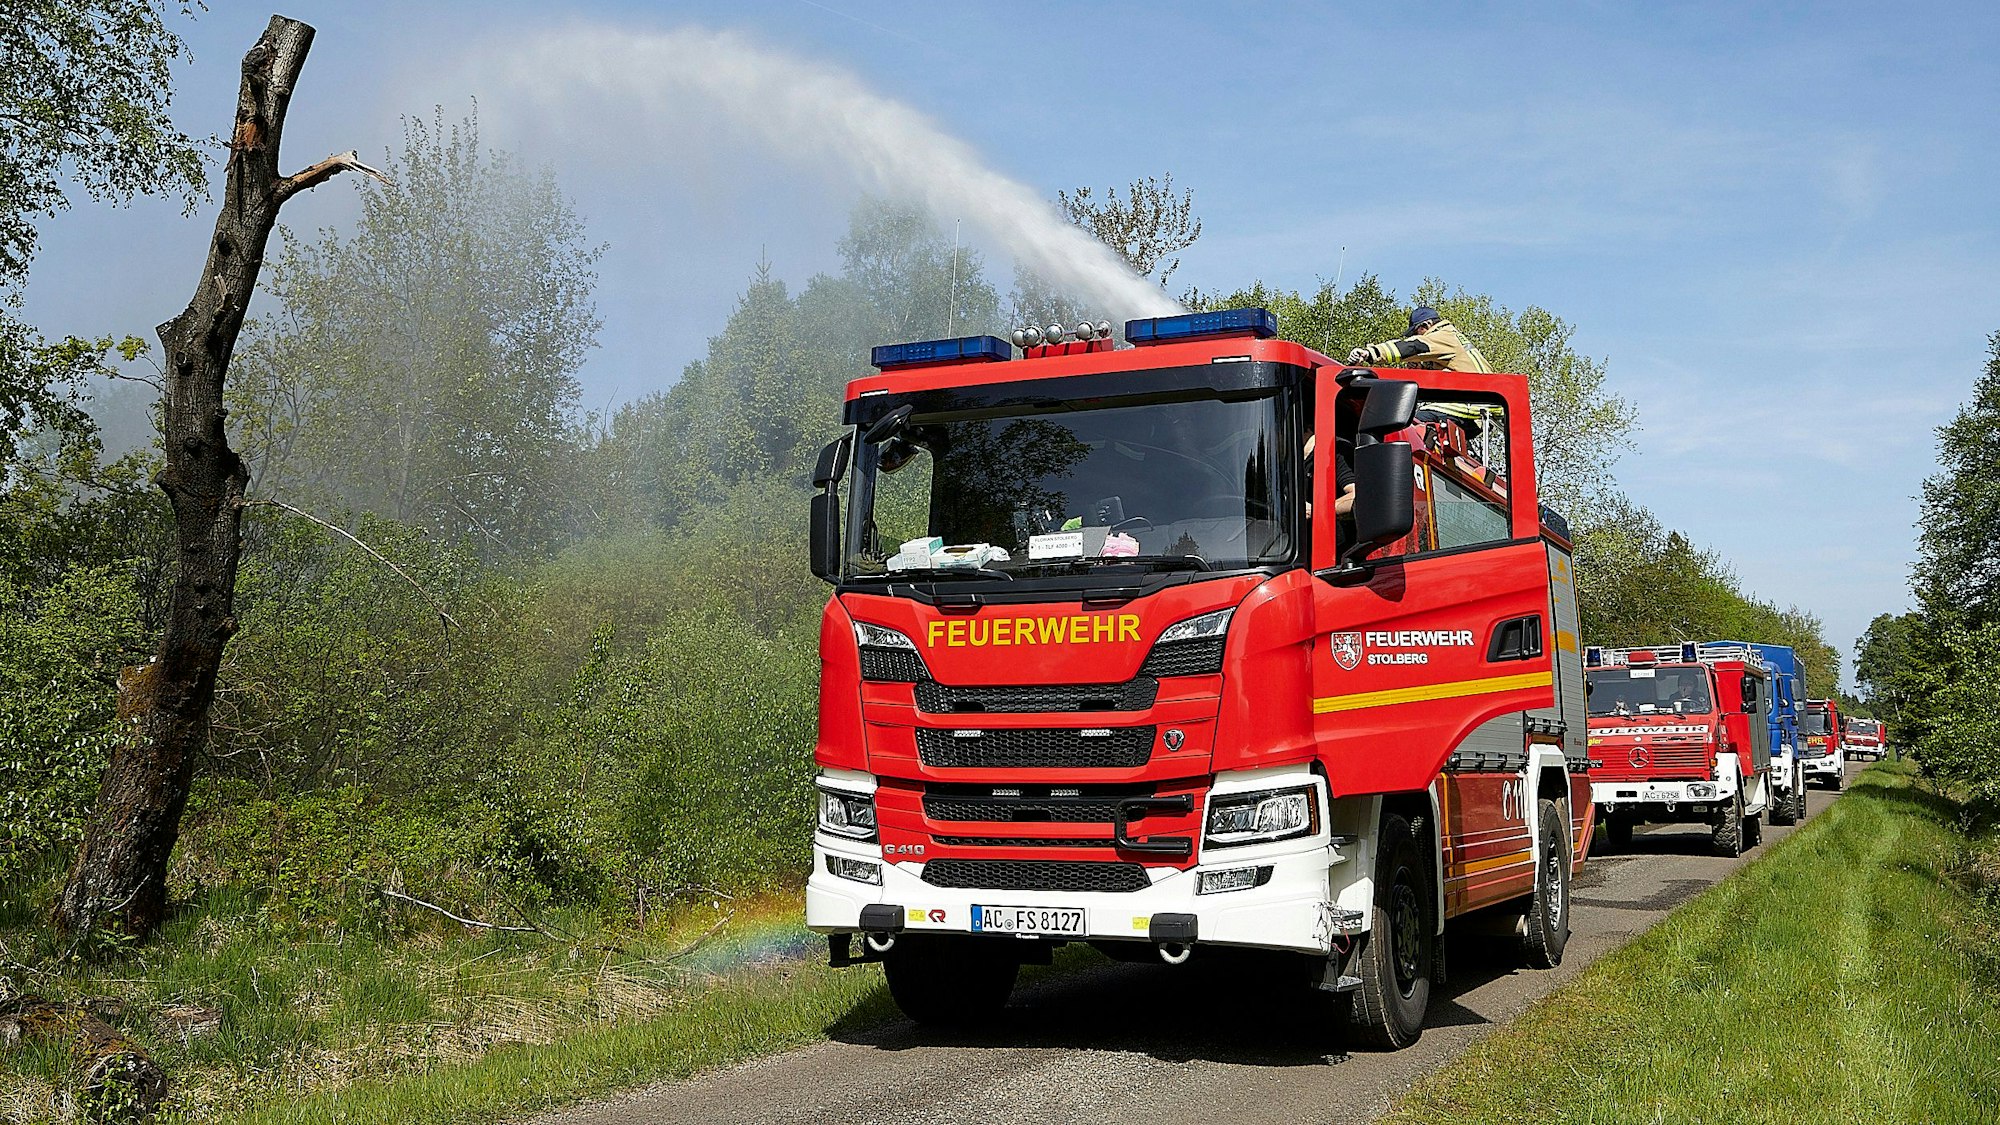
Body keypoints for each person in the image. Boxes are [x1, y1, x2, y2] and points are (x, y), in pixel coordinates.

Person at [1346, 306, 1492, 373]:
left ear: (1427, 325)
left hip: (1472, 403)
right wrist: (1422, 368)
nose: (1416, 336)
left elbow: (1412, 346)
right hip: (1483, 398)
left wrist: (1369, 353)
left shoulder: (1440, 336)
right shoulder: (1451, 336)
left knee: (1411, 422)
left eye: (1417, 332)